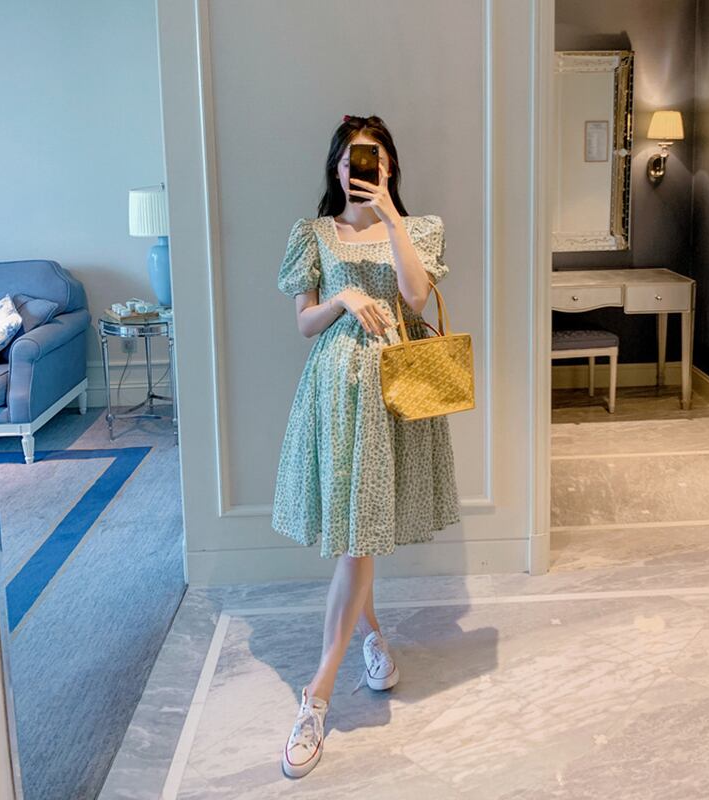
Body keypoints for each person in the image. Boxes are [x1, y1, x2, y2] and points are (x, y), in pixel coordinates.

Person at [274, 114, 460, 778]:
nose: (362, 167)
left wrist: (389, 216)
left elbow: (416, 295)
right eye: (353, 158)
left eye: (374, 158)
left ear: (390, 166)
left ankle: (317, 692)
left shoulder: (418, 228)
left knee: (361, 535)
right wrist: (344, 297)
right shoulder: (312, 233)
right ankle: (362, 647)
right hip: (335, 390)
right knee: (356, 534)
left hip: (395, 390)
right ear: (335, 167)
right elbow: (304, 322)